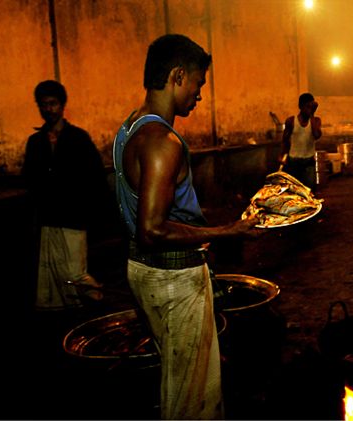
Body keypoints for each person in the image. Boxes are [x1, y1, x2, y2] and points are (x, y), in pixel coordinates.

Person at [112, 34, 259, 420]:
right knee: (192, 397)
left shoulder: (129, 127)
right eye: (198, 83)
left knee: (177, 378)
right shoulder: (162, 141)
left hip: (144, 271)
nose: (199, 94)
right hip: (173, 278)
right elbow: (153, 229)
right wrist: (229, 231)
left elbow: (152, 208)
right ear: (178, 76)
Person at [22, 80, 108, 310]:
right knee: (50, 272)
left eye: (53, 104)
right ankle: (62, 316)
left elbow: (95, 176)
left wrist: (92, 211)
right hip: (47, 218)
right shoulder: (36, 142)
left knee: (74, 272)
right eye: (43, 105)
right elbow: (30, 178)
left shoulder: (78, 139)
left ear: (62, 105)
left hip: (73, 216)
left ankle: (96, 305)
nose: (48, 109)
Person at [281, 93, 322, 188]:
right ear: (300, 106)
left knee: (309, 191)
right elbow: (285, 139)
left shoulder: (316, 121)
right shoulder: (291, 121)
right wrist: (282, 155)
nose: (309, 110)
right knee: (294, 192)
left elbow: (316, 135)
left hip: (309, 162)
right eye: (307, 107)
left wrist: (312, 115)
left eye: (311, 107)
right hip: (293, 162)